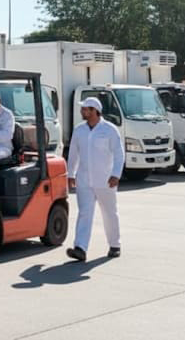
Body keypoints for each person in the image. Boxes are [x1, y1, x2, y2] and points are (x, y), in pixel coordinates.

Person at [66, 96, 124, 261]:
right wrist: (71, 174)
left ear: (94, 111)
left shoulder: (110, 130)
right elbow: (73, 154)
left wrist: (116, 174)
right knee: (84, 213)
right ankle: (80, 248)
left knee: (109, 213)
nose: (82, 111)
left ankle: (115, 245)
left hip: (105, 180)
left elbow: (119, 154)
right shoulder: (79, 130)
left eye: (85, 109)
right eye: (82, 108)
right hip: (84, 180)